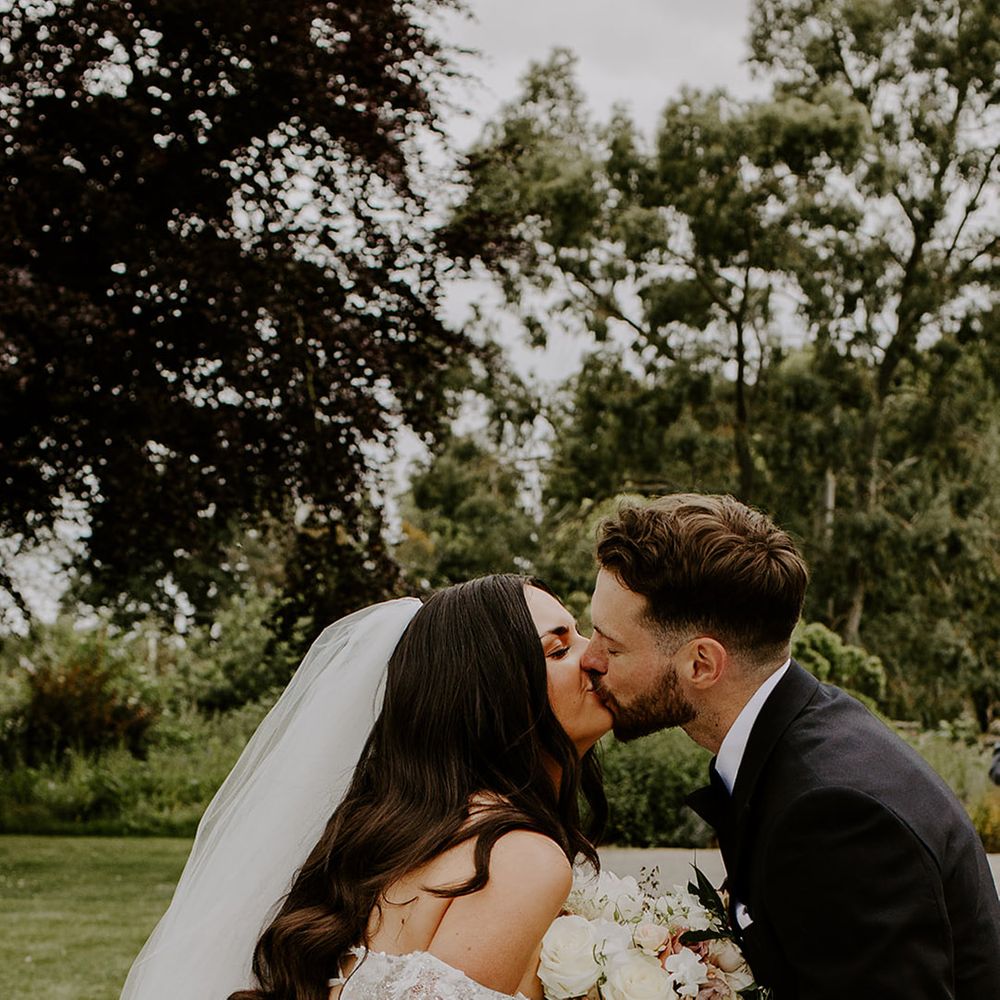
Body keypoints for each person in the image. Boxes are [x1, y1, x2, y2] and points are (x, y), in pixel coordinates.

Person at [581, 493, 1000, 999]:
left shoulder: (835, 814)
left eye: (612, 644)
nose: (590, 657)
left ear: (701, 665)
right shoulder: (799, 742)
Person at [121, 575, 610, 1000]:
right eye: (559, 648)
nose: (597, 655)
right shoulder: (519, 857)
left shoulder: (418, 834)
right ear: (494, 697)